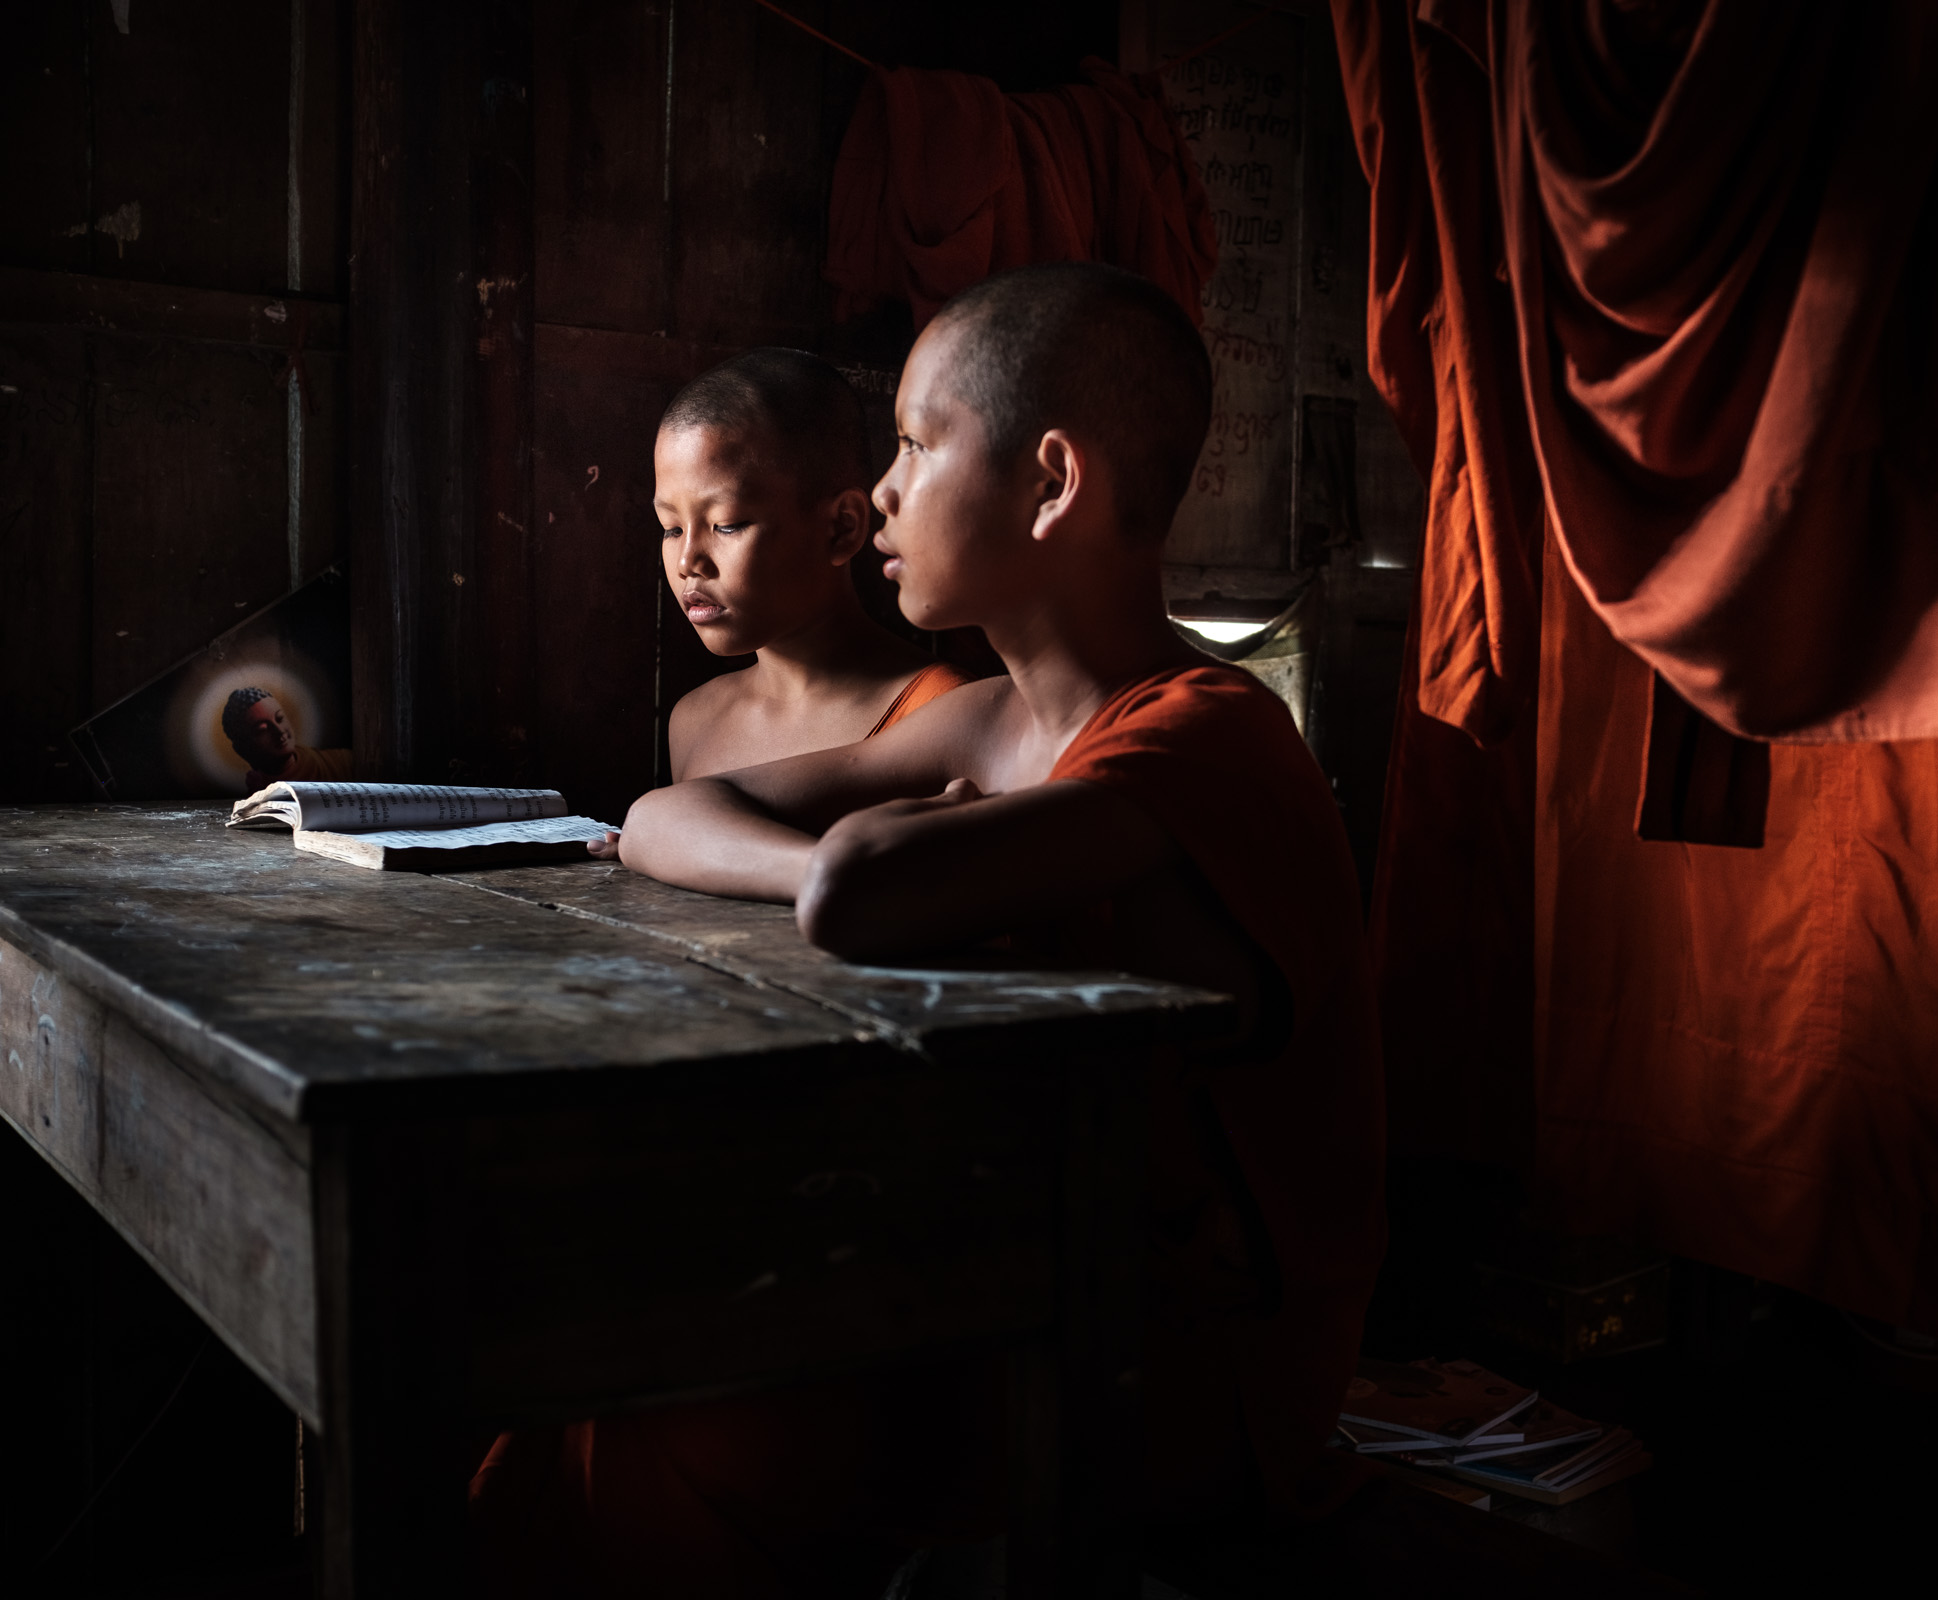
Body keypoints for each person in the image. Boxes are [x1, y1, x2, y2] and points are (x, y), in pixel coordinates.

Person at [474, 264, 1385, 1596]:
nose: (886, 491)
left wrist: (868, 864)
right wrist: (854, 858)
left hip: (1186, 1372)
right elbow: (670, 814)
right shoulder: (1000, 722)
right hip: (1011, 1277)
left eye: (914, 444)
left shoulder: (1210, 731)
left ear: (1051, 480)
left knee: (639, 1418)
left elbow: (860, 893)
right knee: (579, 1369)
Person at [652, 347, 968, 781]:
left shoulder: (944, 711)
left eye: (727, 525)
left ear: (841, 528)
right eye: (671, 528)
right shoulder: (693, 722)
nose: (688, 561)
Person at [221, 686, 351, 794]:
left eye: (280, 718)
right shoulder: (257, 789)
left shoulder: (343, 762)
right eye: (262, 729)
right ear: (242, 749)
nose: (279, 731)